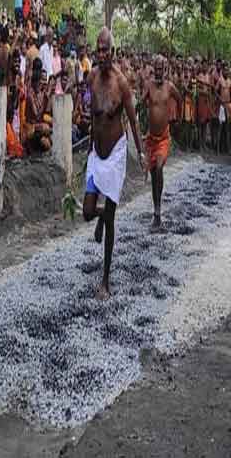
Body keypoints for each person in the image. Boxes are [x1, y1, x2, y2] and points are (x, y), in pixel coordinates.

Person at [82, 28, 145, 300]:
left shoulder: (121, 83)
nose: (103, 54)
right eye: (99, 49)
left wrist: (141, 154)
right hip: (97, 153)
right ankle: (101, 217)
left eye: (107, 49)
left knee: (111, 219)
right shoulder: (92, 77)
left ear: (113, 51)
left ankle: (105, 280)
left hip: (117, 153)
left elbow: (133, 121)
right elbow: (91, 117)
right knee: (86, 211)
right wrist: (88, 147)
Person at [141, 55, 179, 230]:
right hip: (151, 139)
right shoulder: (148, 86)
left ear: (165, 70)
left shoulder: (169, 87)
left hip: (163, 138)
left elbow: (179, 98)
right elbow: (141, 104)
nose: (158, 72)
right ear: (152, 69)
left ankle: (158, 213)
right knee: (154, 176)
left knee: (158, 168)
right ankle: (157, 213)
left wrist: (174, 116)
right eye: (155, 69)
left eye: (161, 69)